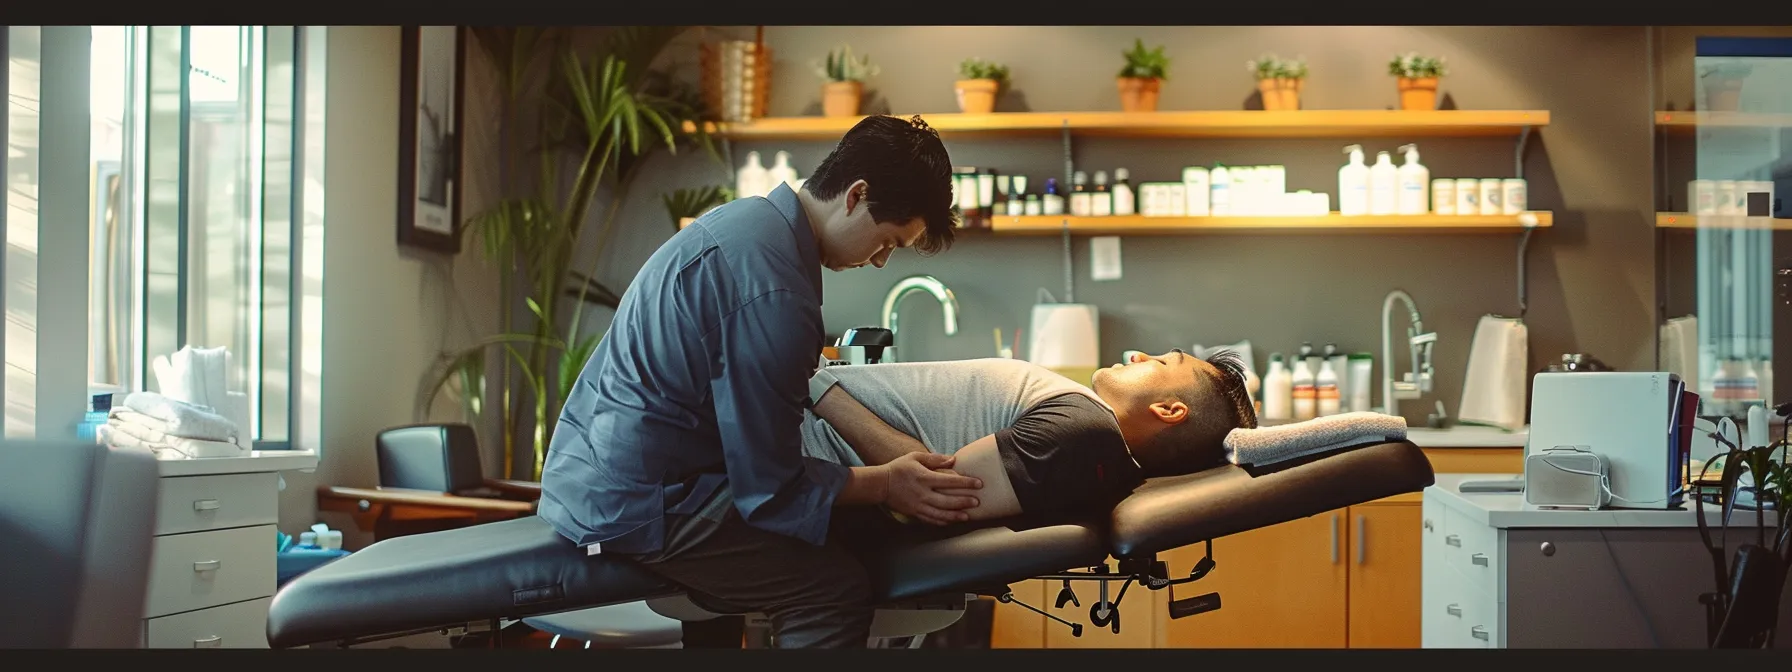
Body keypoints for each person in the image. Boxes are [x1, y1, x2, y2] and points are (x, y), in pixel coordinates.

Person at [537, 114, 971, 649]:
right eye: (887, 242)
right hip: (639, 501)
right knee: (832, 588)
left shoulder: (747, 223)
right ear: (856, 196)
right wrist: (887, 481)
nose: (881, 261)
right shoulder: (776, 290)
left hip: (592, 474)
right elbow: (771, 492)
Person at [801, 349, 1259, 528]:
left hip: (783, 434)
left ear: (1169, 411)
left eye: (1159, 362)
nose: (1136, 353)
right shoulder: (1088, 429)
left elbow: (927, 490)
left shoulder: (1087, 433)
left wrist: (813, 382)